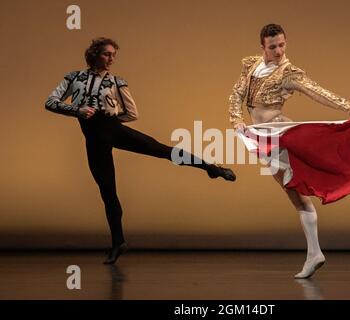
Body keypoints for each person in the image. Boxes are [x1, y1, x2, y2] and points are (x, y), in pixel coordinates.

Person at [229, 24, 350, 278]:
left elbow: (317, 91)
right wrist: (236, 119)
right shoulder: (251, 66)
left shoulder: (288, 73)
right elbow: (236, 95)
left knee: (327, 166)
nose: (279, 51)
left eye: (282, 45)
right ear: (262, 47)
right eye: (273, 47)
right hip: (262, 138)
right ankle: (314, 253)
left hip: (281, 132)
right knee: (295, 192)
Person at [45, 37, 236, 264]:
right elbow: (50, 101)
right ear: (94, 53)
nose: (111, 59)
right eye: (107, 54)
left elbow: (132, 114)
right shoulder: (73, 77)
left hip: (112, 129)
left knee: (163, 150)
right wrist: (76, 110)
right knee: (108, 192)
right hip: (94, 140)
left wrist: (113, 116)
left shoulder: (117, 82)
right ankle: (118, 242)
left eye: (113, 55)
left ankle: (211, 168)